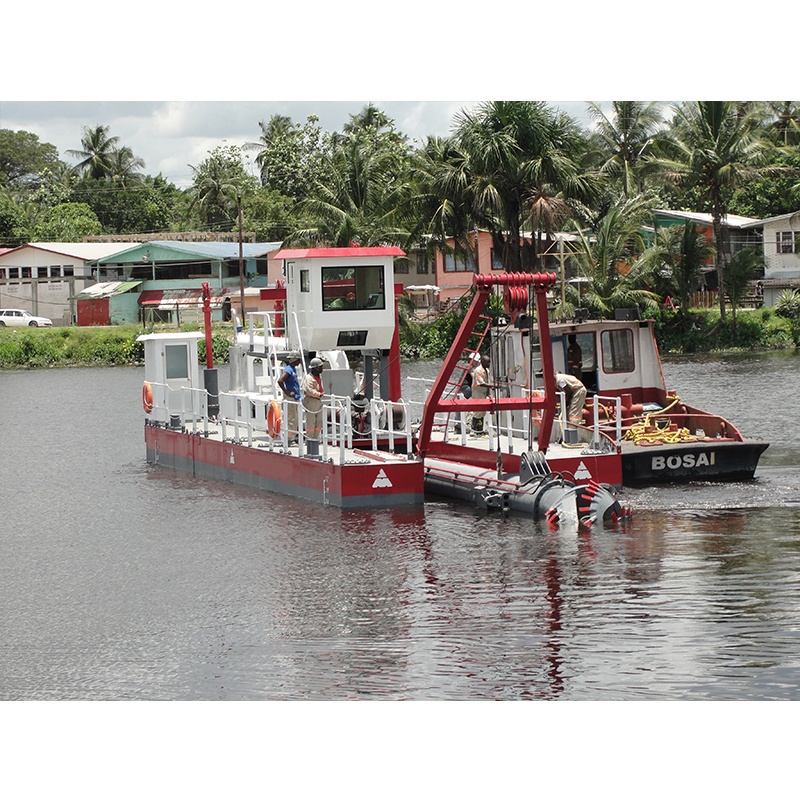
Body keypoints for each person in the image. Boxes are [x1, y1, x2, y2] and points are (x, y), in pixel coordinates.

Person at [277, 351, 302, 441]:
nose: (299, 362)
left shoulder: (293, 369)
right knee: (292, 419)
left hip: (294, 397)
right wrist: (286, 392)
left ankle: (293, 437)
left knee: (294, 418)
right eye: (298, 360)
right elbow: (280, 380)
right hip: (290, 398)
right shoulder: (288, 369)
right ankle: (290, 439)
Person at [302, 357, 326, 442]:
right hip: (311, 401)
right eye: (320, 367)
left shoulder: (319, 377)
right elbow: (309, 390)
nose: (322, 369)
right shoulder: (309, 378)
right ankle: (309, 439)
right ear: (316, 368)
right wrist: (319, 394)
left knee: (319, 421)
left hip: (318, 402)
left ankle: (315, 439)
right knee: (311, 421)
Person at [471, 354, 492, 433]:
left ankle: (480, 429)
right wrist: (492, 386)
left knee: (482, 411)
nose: (489, 364)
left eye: (489, 363)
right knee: (477, 411)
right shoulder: (478, 370)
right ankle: (475, 430)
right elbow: (481, 383)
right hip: (477, 392)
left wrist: (491, 387)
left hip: (483, 392)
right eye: (487, 362)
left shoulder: (487, 370)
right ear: (482, 362)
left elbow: (487, 381)